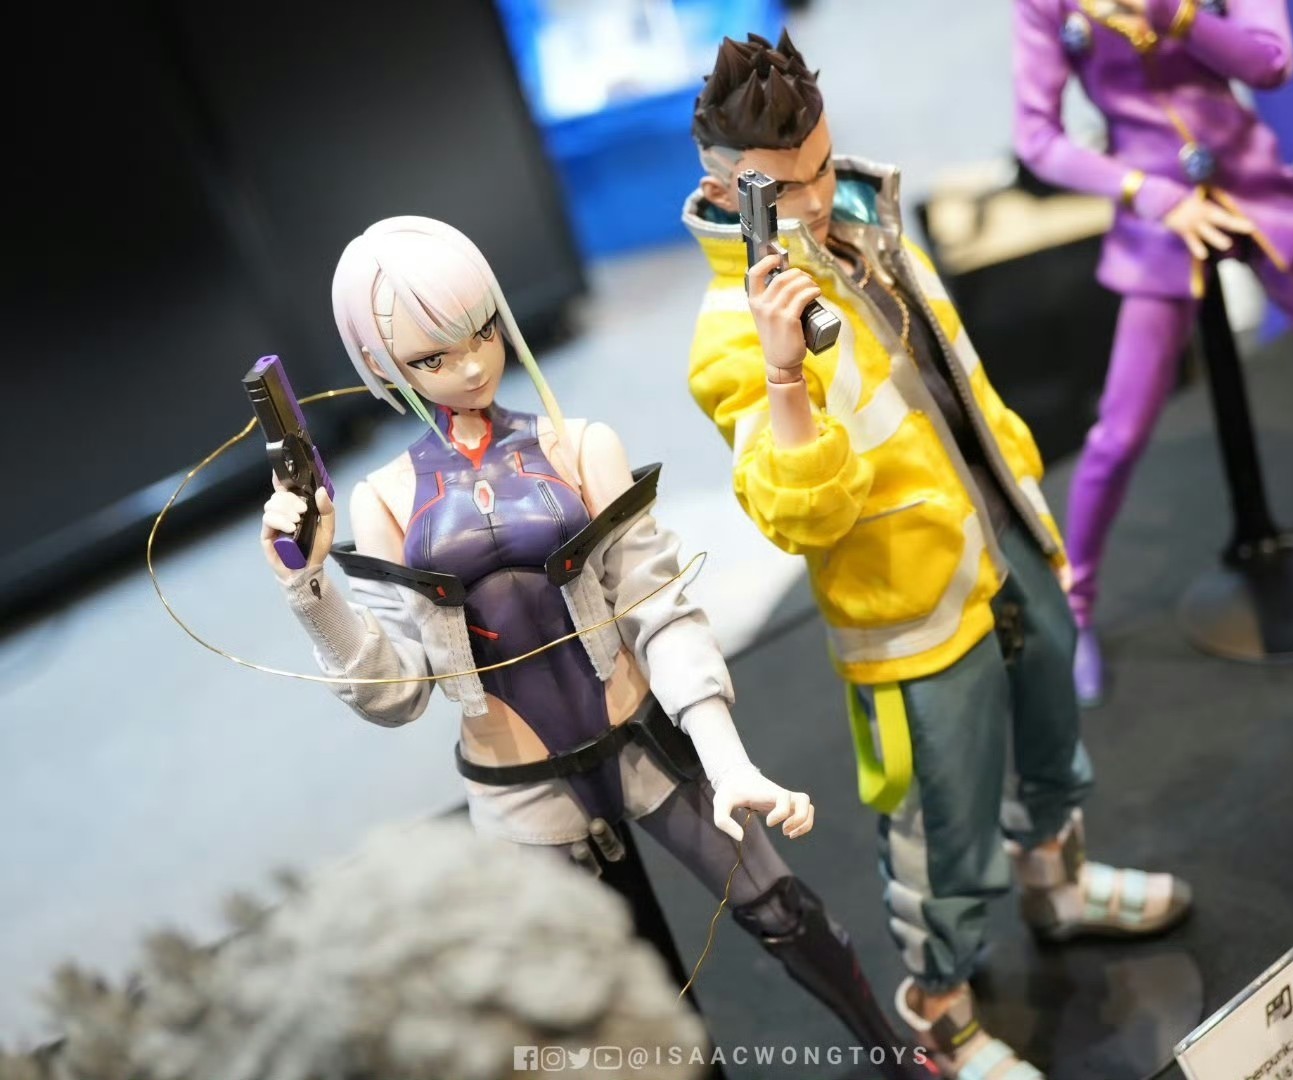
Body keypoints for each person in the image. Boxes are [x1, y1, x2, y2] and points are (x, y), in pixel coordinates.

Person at [260, 216, 932, 1079]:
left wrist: (726, 758)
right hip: (519, 789)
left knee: (781, 908)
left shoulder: (578, 446)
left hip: (643, 742)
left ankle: (898, 1055)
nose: (472, 366)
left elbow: (659, 610)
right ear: (381, 363)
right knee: (572, 1006)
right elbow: (398, 694)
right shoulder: (386, 499)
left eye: (483, 332)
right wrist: (310, 588)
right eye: (432, 357)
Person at [683, 33, 1189, 1079]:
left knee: (1051, 738)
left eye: (822, 165)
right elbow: (798, 516)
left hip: (999, 533)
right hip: (906, 613)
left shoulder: (866, 221)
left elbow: (954, 379)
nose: (813, 197)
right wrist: (784, 376)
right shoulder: (732, 332)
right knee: (940, 827)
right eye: (784, 185)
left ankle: (1057, 887)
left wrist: (1021, 493)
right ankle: (940, 1010)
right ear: (725, 187)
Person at [1012, 0, 1293, 703]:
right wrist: (1146, 193)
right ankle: (1075, 606)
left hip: (1255, 188)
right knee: (1119, 432)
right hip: (1158, 216)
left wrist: (1174, 14)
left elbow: (1271, 61)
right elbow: (1037, 137)